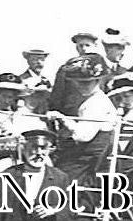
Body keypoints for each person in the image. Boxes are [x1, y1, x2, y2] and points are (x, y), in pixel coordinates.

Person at [47, 54, 117, 183]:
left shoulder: (97, 103)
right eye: (78, 82)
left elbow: (83, 136)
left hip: (88, 160)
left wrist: (63, 119)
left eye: (87, 82)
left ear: (98, 80)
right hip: (85, 157)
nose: (81, 86)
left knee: (54, 177)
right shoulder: (90, 100)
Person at [48, 31, 100, 116]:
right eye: (80, 45)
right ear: (76, 47)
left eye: (87, 45)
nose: (84, 48)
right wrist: (54, 111)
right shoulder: (66, 68)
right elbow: (58, 93)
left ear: (95, 46)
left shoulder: (101, 67)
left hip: (95, 110)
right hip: (71, 111)